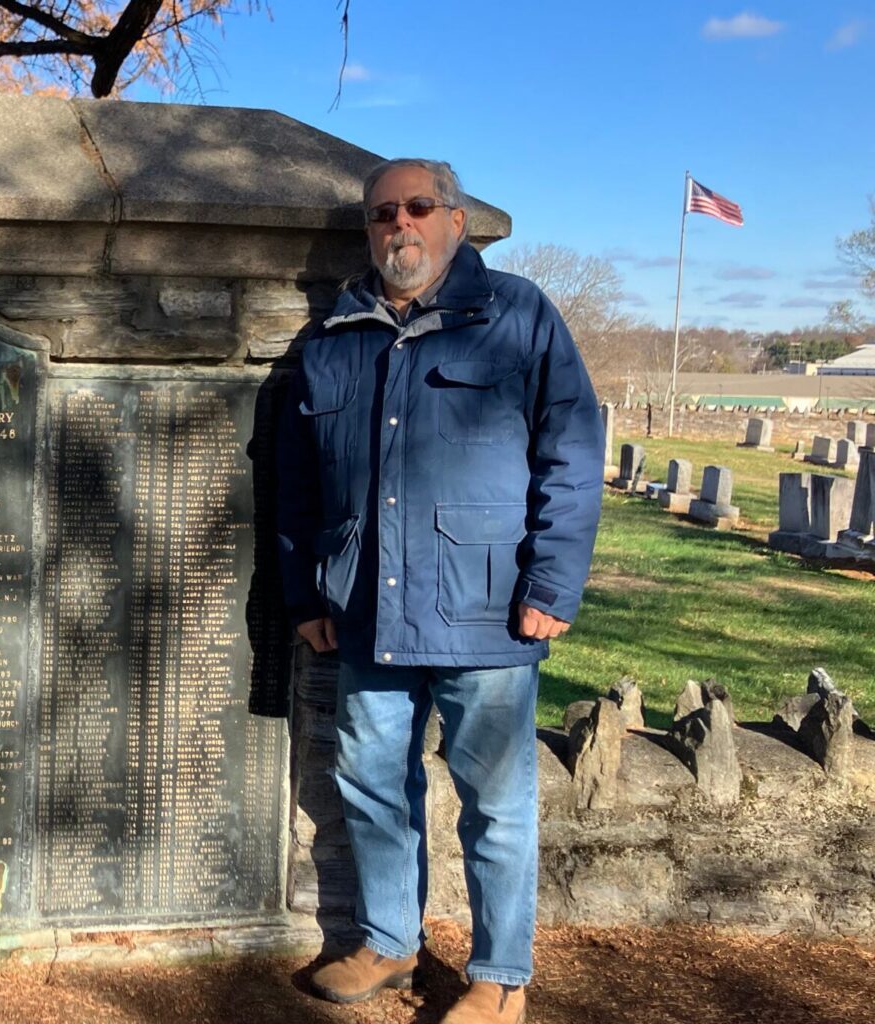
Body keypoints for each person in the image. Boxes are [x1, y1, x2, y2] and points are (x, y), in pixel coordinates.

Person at [276, 158, 604, 1024]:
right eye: (382, 213)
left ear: (456, 220)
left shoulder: (517, 315)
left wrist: (553, 583)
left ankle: (501, 977)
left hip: (487, 611)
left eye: (418, 207)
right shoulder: (335, 334)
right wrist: (307, 596)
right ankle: (390, 942)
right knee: (371, 785)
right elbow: (298, 484)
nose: (400, 224)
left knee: (495, 804)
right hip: (366, 609)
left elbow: (572, 453)